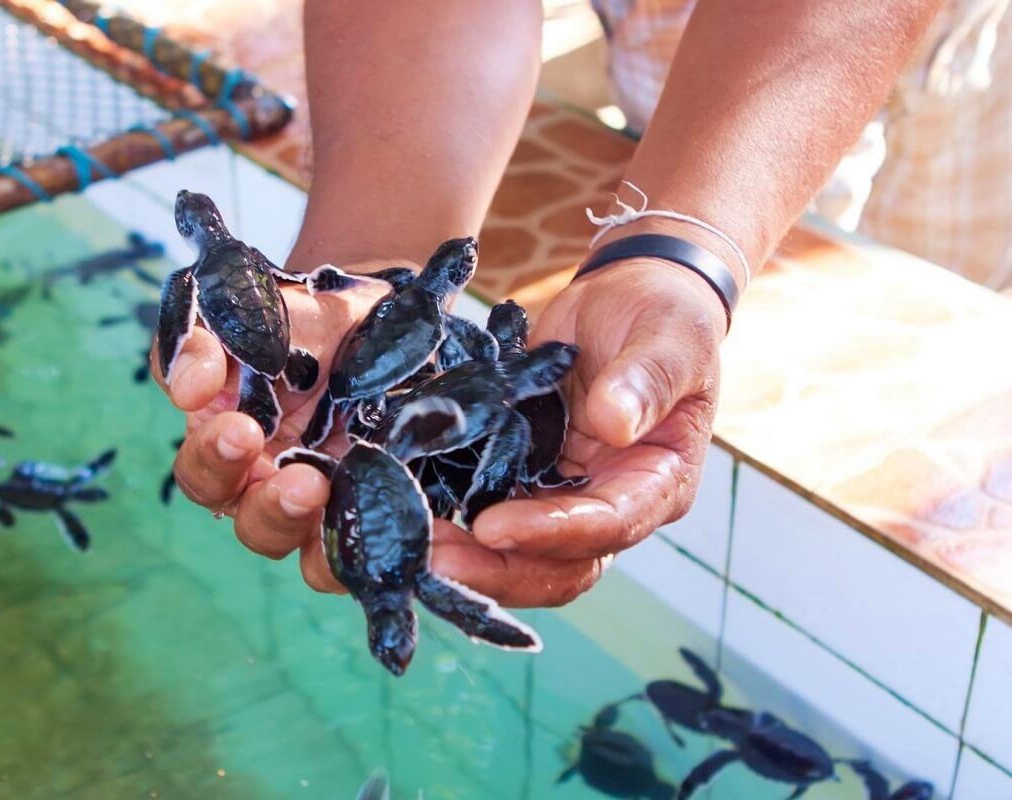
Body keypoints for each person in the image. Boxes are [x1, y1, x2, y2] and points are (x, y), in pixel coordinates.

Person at [152, 0, 945, 608]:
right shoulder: (479, 358)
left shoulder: (483, 365)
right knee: (662, 86)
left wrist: (685, 257)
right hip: (446, 386)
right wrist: (371, 260)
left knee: (901, 224)